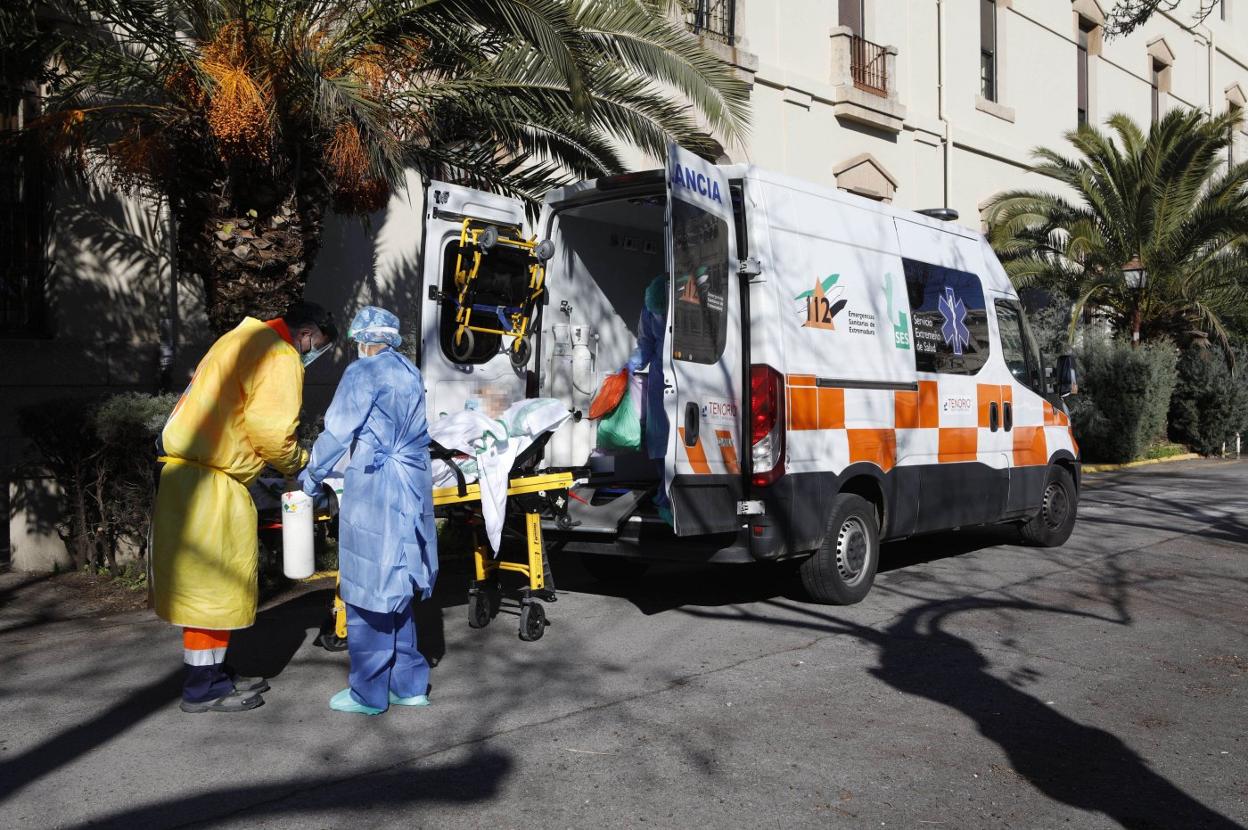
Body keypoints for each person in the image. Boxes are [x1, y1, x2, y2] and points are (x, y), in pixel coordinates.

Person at [151, 301, 337, 713]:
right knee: (212, 589)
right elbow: (271, 433)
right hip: (213, 481)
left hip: (189, 474)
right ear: (306, 333)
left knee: (202, 587)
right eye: (318, 346)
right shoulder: (280, 354)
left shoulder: (239, 338)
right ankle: (202, 687)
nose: (313, 354)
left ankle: (214, 673)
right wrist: (300, 464)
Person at [299, 306, 438, 716]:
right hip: (411, 482)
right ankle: (408, 685)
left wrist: (311, 477)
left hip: (376, 486)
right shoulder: (409, 371)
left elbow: (338, 432)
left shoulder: (363, 373)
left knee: (369, 587)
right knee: (399, 581)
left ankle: (369, 692)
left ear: (363, 339)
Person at [625, 274, 672, 524]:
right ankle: (664, 496)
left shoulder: (684, 299)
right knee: (659, 441)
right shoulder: (649, 307)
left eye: (663, 313)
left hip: (681, 376)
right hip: (659, 380)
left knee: (677, 441)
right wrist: (631, 366)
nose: (659, 317)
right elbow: (646, 344)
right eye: (657, 314)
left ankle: (672, 498)